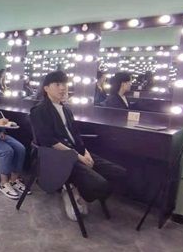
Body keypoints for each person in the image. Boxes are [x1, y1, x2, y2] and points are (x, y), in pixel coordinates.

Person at [30, 71, 126, 221]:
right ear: (46, 88)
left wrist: (85, 153)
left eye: (65, 84)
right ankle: (72, 190)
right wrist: (78, 157)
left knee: (119, 173)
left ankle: (75, 190)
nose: (63, 88)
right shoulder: (39, 110)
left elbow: (76, 136)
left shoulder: (67, 110)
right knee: (100, 185)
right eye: (57, 84)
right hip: (57, 157)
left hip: (76, 151)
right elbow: (48, 140)